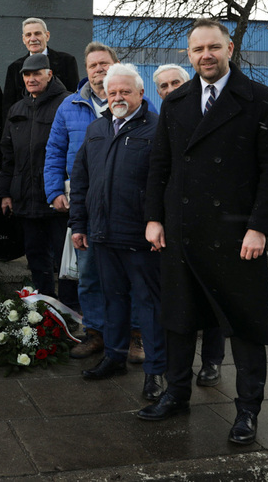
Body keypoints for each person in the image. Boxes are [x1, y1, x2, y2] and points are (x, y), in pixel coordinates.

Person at [138, 18, 268, 447]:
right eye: (198, 49)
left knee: (244, 325)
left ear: (230, 48)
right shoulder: (176, 101)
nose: (206, 55)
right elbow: (160, 165)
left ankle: (247, 410)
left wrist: (259, 227)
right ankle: (176, 394)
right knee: (179, 319)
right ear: (189, 54)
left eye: (214, 47)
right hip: (182, 230)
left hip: (237, 234)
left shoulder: (261, 99)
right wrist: (153, 218)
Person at [69, 63, 166, 400]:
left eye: (125, 91)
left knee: (149, 307)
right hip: (102, 234)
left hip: (141, 239)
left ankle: (155, 372)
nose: (118, 97)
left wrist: (158, 223)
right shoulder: (97, 128)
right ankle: (113, 357)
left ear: (141, 93)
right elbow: (81, 179)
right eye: (112, 92)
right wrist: (78, 224)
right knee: (112, 301)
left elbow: (165, 183)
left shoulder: (157, 129)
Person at [152, 63, 226, 387]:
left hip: (212, 221)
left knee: (212, 297)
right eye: (163, 86)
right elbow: (159, 169)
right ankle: (178, 373)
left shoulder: (210, 112)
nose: (170, 89)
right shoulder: (165, 118)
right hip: (177, 222)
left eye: (175, 83)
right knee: (181, 301)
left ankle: (212, 360)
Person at [44, 42, 118, 359]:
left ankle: (134, 335)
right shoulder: (69, 105)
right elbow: (54, 151)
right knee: (88, 275)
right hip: (84, 204)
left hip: (125, 203)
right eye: (93, 65)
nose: (99, 69)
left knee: (129, 275)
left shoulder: (134, 99)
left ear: (115, 64)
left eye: (104, 63)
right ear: (86, 71)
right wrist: (54, 191)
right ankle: (95, 333)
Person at [0, 53, 73, 304]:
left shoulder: (67, 103)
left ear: (49, 74)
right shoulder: (17, 109)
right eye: (27, 75)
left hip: (57, 200)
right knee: (36, 257)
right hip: (26, 198)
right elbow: (8, 156)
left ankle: (68, 309)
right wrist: (5, 193)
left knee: (65, 260)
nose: (31, 79)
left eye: (37, 73)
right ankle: (45, 306)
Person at [3, 18, 80, 115]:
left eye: (37, 33)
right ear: (23, 39)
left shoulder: (66, 61)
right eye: (28, 35)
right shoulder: (14, 68)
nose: (33, 39)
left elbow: (74, 97)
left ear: (47, 36)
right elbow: (8, 107)